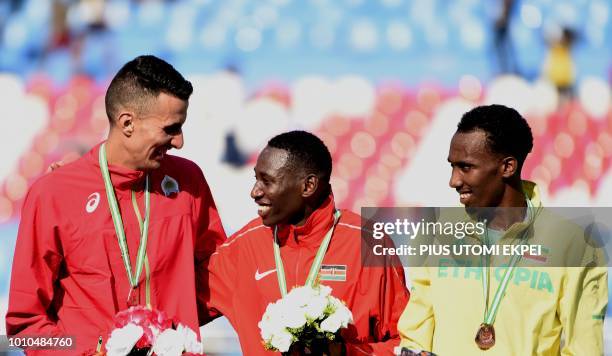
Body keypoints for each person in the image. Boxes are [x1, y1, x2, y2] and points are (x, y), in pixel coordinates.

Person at [5, 55, 226, 354]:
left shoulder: (189, 182)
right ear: (127, 123)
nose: (179, 142)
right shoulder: (54, 194)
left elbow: (220, 278)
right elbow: (25, 330)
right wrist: (86, 350)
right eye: (171, 128)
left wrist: (171, 335)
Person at [397, 104, 608, 355]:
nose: (453, 181)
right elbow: (416, 330)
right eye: (452, 166)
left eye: (466, 167)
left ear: (507, 167)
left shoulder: (575, 243)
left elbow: (585, 348)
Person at [200, 131, 409, 355]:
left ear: (308, 186)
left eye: (267, 181)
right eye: (256, 179)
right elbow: (175, 306)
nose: (255, 192)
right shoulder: (244, 246)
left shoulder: (368, 243)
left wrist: (345, 353)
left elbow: (407, 344)